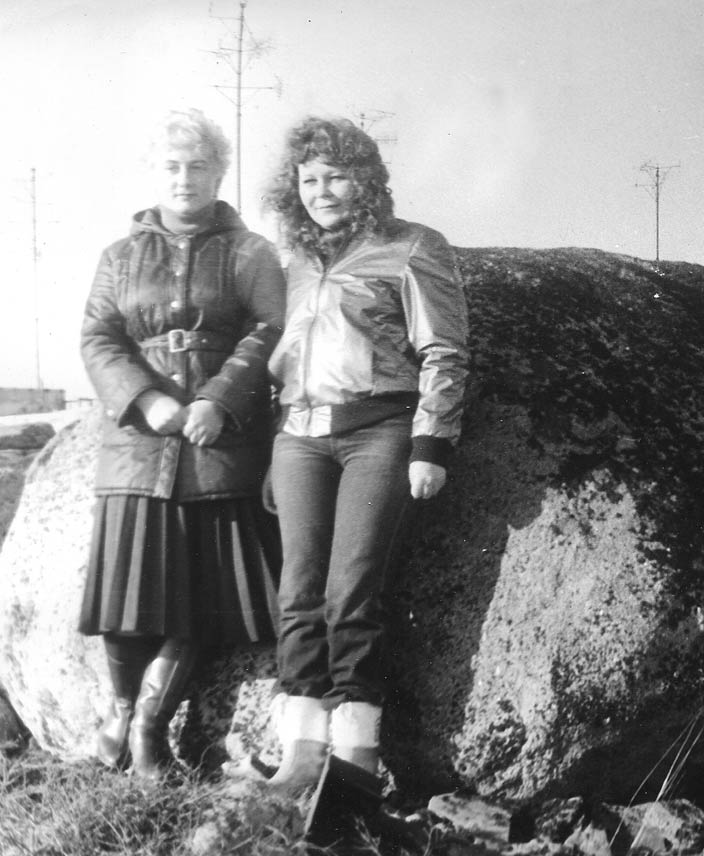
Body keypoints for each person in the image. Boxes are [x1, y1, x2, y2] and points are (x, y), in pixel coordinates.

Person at [261, 116, 469, 789]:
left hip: (377, 431)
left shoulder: (412, 246)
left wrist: (430, 442)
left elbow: (444, 350)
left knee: (351, 589)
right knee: (298, 590)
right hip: (298, 437)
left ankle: (356, 755)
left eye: (336, 176)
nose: (321, 191)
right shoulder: (294, 261)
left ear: (367, 180)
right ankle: (301, 752)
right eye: (309, 180)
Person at [79, 108, 286, 779]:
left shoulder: (252, 252)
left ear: (219, 172)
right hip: (138, 443)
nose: (184, 178)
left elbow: (269, 329)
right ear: (153, 172)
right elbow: (98, 338)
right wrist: (148, 398)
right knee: (125, 598)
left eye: (199, 165)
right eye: (171, 166)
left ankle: (148, 730)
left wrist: (218, 400)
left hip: (219, 444)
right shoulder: (118, 257)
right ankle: (118, 716)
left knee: (199, 600)